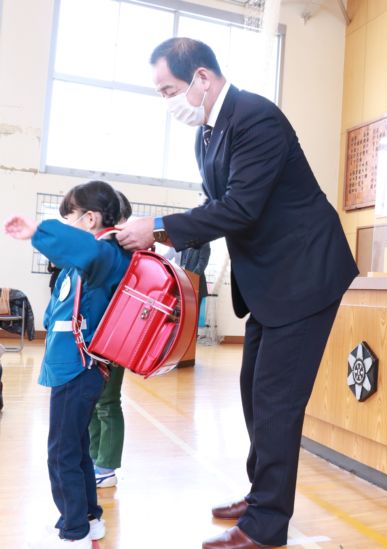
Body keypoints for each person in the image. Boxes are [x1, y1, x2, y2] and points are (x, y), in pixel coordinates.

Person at [116, 37, 358, 549]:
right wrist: (163, 240)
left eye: (170, 90)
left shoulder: (255, 118)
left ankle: (267, 527)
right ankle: (262, 492)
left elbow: (241, 209)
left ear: (202, 78)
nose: (169, 103)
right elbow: (214, 205)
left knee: (276, 399)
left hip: (305, 273)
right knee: (253, 390)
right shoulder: (207, 134)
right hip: (272, 279)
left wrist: (157, 227)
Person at [4, 180, 131, 548]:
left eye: (69, 217)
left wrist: (37, 231)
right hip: (71, 370)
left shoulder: (103, 256)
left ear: (90, 219)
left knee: (61, 453)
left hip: (79, 371)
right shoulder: (83, 264)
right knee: (76, 449)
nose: (65, 226)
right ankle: (88, 519)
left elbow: (85, 250)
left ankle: (72, 530)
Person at [88, 189, 132, 488]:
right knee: (92, 402)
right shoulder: (99, 250)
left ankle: (106, 465)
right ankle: (94, 458)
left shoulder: (119, 253)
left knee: (107, 402)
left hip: (113, 340)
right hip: (91, 339)